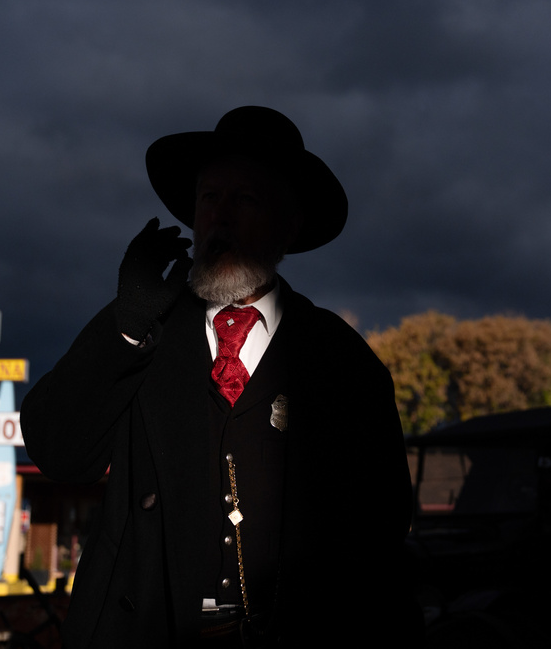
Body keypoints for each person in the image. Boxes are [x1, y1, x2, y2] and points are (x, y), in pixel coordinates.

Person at [21, 106, 421, 647]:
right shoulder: (142, 329)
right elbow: (60, 452)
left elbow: (380, 536)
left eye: (246, 199)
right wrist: (126, 326)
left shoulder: (341, 360)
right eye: (210, 198)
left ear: (290, 224)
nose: (221, 217)